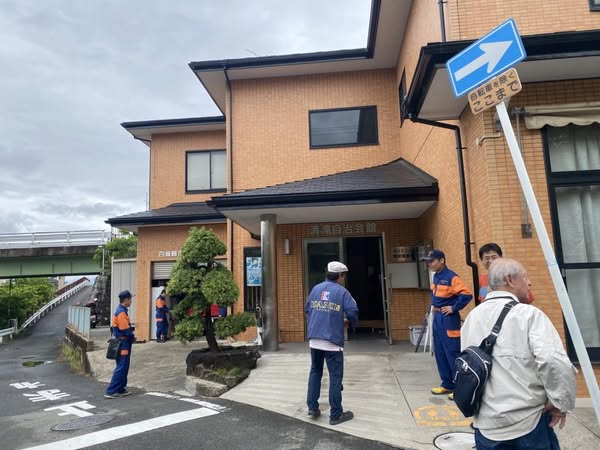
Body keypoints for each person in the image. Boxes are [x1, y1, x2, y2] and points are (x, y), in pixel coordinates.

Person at [461, 258, 576, 449]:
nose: (529, 282)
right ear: (510, 280)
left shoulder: (472, 318)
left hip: (487, 426)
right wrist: (560, 403)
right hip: (529, 423)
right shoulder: (529, 315)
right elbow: (553, 361)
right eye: (525, 277)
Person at [305, 261, 359, 426]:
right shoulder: (342, 292)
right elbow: (353, 311)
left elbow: (307, 309)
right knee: (335, 377)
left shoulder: (315, 289)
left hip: (315, 339)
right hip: (332, 341)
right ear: (340, 276)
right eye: (343, 276)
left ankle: (312, 407)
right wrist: (349, 323)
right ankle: (336, 414)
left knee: (315, 372)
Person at [421, 249, 472, 397]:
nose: (429, 264)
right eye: (428, 262)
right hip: (437, 317)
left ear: (442, 260)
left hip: (448, 319)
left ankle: (459, 388)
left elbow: (466, 294)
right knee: (440, 352)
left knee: (452, 352)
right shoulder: (436, 277)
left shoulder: (451, 277)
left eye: (432, 261)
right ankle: (447, 384)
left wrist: (453, 308)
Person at [105, 290, 136, 399]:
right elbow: (125, 329)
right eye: (130, 299)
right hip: (123, 342)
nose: (131, 301)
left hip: (121, 342)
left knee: (123, 366)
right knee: (122, 366)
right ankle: (111, 390)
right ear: (126, 300)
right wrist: (132, 337)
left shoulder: (120, 310)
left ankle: (120, 388)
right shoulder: (121, 312)